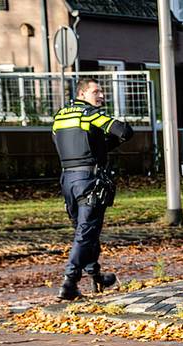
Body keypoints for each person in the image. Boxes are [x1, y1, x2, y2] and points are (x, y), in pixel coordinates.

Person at [51, 78, 133, 300]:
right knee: (86, 232)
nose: (102, 96)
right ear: (82, 94)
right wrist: (110, 144)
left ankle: (96, 277)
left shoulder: (59, 117)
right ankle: (69, 281)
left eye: (102, 92)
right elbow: (124, 130)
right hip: (89, 179)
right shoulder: (89, 114)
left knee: (85, 231)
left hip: (67, 179)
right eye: (96, 91)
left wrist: (99, 146)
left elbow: (67, 145)